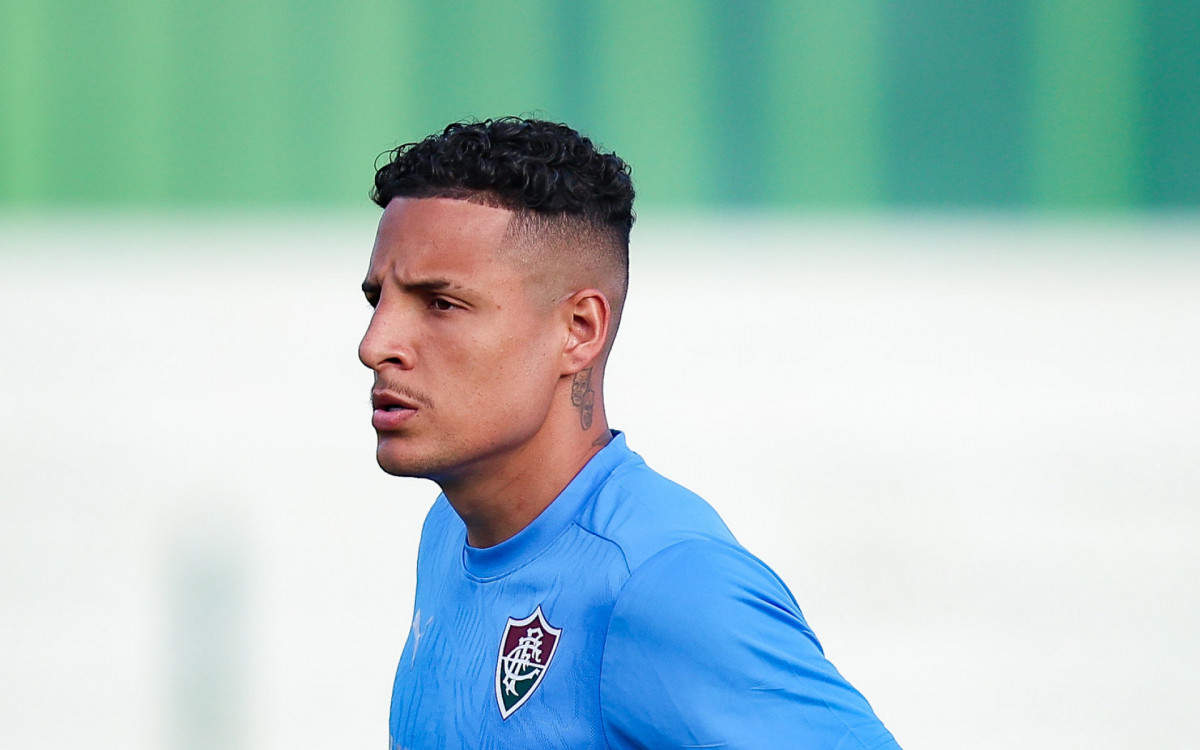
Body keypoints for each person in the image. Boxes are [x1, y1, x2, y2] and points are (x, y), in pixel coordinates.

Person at [359, 117, 901, 749]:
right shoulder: (451, 531)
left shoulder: (665, 584)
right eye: (378, 300)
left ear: (579, 330)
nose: (375, 345)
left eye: (440, 303)